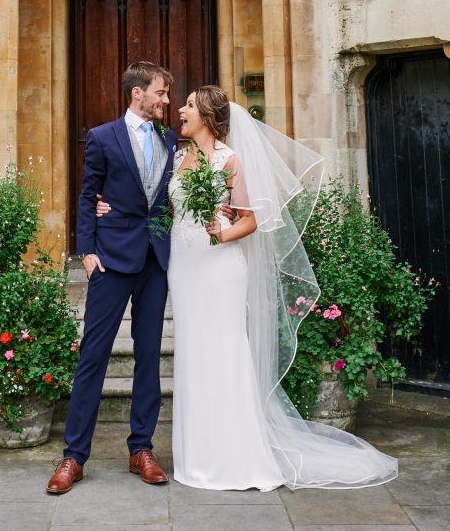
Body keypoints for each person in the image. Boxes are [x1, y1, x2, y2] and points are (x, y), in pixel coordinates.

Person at [97, 85, 398, 491]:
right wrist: (106, 205)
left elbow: (251, 219)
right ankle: (198, 455)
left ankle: (234, 456)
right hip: (184, 269)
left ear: (206, 115)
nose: (179, 110)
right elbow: (153, 205)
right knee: (193, 354)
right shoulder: (177, 155)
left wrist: (221, 235)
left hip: (220, 268)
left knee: (225, 351)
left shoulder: (229, 159)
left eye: (187, 105)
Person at [47, 61, 178, 495]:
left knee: (148, 357)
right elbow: (89, 197)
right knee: (94, 355)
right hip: (110, 260)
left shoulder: (169, 138)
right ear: (138, 92)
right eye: (160, 92)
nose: (165, 100)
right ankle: (74, 456)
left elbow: (167, 198)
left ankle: (141, 448)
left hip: (155, 259)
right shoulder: (103, 137)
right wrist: (87, 252)